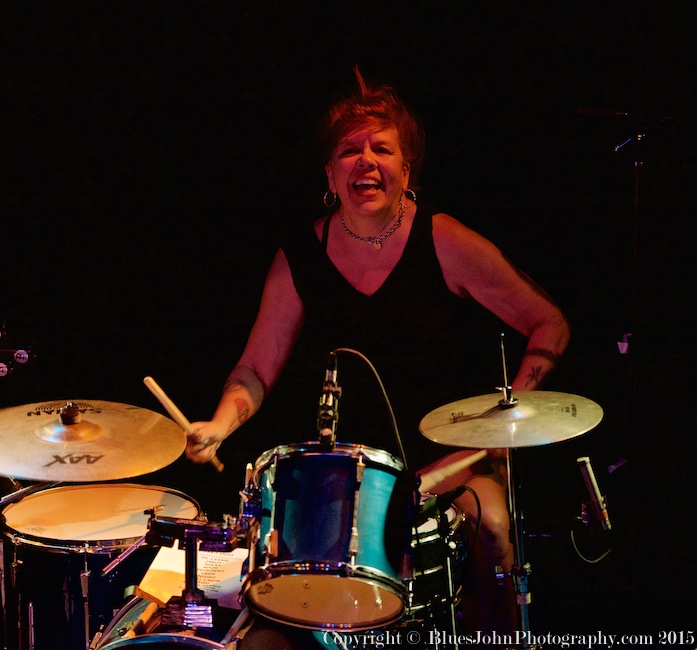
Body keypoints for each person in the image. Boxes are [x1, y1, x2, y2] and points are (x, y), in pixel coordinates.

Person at [186, 69, 570, 643]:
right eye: (349, 150)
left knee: (492, 529)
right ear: (329, 174)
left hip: (450, 460)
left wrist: (505, 427)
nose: (365, 161)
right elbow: (254, 370)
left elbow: (549, 323)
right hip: (350, 470)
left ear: (405, 169)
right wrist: (218, 424)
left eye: (381, 148)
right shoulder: (300, 255)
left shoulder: (443, 240)